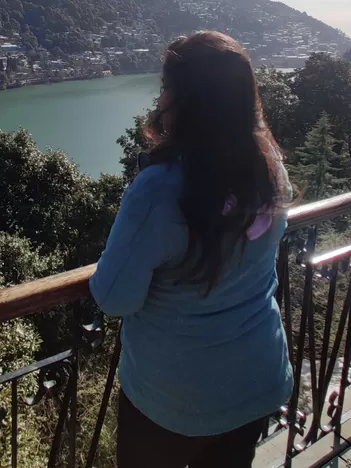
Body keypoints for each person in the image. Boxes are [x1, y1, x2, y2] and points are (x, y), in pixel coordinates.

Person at [90, 31, 293, 468]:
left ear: (189, 101)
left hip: (174, 397)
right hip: (256, 379)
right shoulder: (270, 167)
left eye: (167, 88)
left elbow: (114, 297)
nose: (161, 99)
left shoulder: (160, 188)